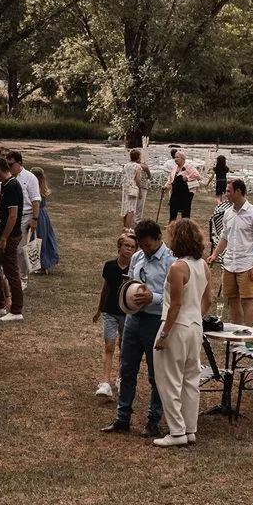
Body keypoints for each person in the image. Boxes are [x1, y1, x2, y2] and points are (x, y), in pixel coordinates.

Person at [101, 219, 174, 437]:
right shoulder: (137, 257)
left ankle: (153, 420)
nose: (145, 249)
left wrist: (154, 297)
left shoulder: (171, 261)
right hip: (133, 319)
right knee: (127, 369)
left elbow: (174, 297)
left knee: (155, 374)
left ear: (158, 238)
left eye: (148, 245)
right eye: (141, 245)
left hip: (154, 321)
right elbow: (130, 283)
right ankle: (122, 418)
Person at [152, 218, 212, 447]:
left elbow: (175, 304)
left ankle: (177, 431)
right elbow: (207, 299)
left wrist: (164, 335)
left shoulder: (178, 267)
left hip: (176, 326)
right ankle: (190, 429)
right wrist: (195, 316)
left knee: (169, 380)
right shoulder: (203, 265)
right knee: (190, 380)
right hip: (195, 327)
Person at [207, 179, 253, 327]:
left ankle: (248, 339)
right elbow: (224, 237)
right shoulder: (228, 213)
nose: (226, 194)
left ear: (238, 192)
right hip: (229, 264)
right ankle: (237, 334)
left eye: (229, 191)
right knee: (232, 299)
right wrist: (215, 254)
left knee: (247, 301)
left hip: (246, 264)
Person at [93, 232, 138, 399]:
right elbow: (105, 288)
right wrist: (99, 309)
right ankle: (105, 381)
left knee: (124, 347)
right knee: (109, 346)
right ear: (119, 247)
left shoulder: (135, 270)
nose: (129, 249)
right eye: (126, 245)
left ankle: (121, 377)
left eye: (133, 247)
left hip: (127, 314)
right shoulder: (110, 266)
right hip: (110, 312)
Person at [0, 158, 25, 322]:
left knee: (11, 272)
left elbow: (13, 215)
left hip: (9, 235)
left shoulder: (12, 186)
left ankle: (16, 310)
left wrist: (4, 239)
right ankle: (0, 305)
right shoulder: (5, 185)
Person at [5, 151, 41, 288]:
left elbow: (36, 200)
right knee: (9, 247)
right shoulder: (8, 178)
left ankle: (23, 278)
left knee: (21, 249)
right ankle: (11, 275)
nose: (8, 167)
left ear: (19, 163)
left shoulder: (29, 177)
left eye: (11, 164)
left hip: (25, 215)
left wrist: (35, 219)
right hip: (11, 216)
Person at [31, 167, 59, 273]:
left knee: (38, 239)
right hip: (43, 216)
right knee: (43, 238)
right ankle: (41, 264)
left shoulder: (36, 189)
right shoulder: (42, 188)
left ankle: (41, 264)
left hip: (38, 215)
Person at [164, 152, 201, 222]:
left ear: (183, 159)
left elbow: (197, 175)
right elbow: (171, 179)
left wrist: (187, 177)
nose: (175, 159)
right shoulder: (174, 168)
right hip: (176, 191)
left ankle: (185, 226)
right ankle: (171, 226)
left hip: (187, 191)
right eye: (175, 157)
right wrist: (166, 186)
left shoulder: (188, 166)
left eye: (177, 157)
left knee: (185, 210)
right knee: (173, 208)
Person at [120, 149, 147, 227]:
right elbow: (137, 179)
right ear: (138, 157)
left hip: (125, 187)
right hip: (133, 187)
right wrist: (140, 191)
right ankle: (128, 227)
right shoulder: (137, 166)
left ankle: (125, 226)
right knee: (131, 208)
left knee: (125, 206)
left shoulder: (126, 165)